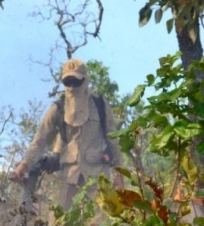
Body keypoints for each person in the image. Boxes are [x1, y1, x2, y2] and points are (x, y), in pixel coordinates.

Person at [12, 58, 123, 212]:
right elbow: (40, 141)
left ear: (84, 80)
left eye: (76, 82)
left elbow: (113, 139)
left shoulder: (100, 105)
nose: (72, 87)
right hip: (70, 176)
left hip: (97, 175)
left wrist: (119, 173)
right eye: (68, 82)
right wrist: (24, 165)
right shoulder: (58, 109)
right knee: (61, 225)